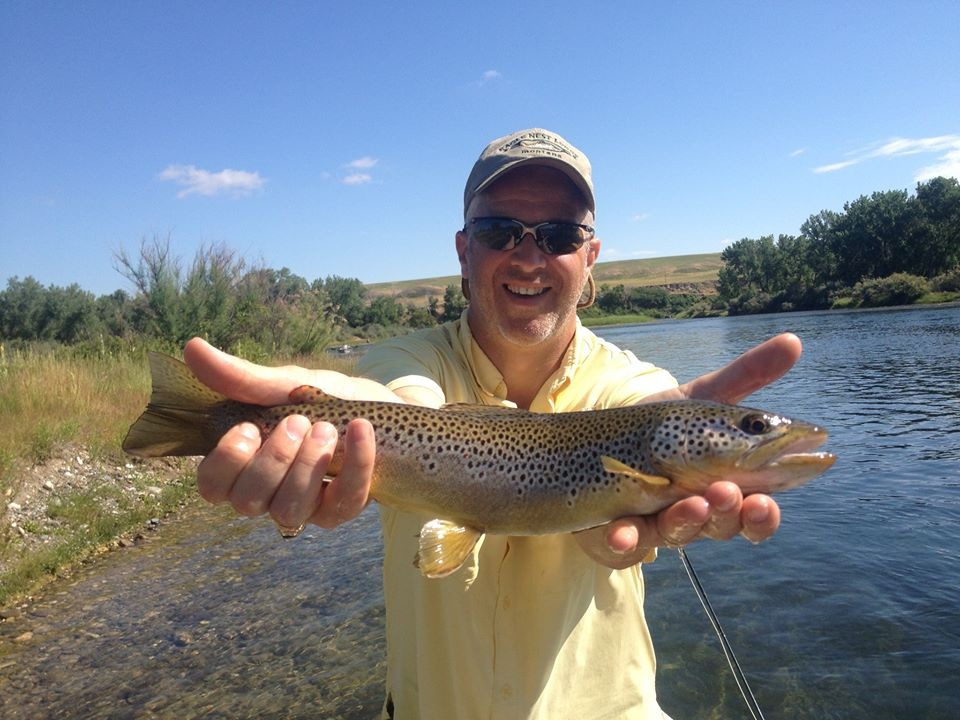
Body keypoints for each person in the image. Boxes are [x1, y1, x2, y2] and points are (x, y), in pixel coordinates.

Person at [183, 128, 801, 719]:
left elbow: (646, 406)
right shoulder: (406, 360)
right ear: (463, 248)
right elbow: (400, 402)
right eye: (501, 230)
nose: (529, 256)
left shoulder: (635, 394)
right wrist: (336, 422)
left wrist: (657, 447)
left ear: (590, 257)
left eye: (558, 235)